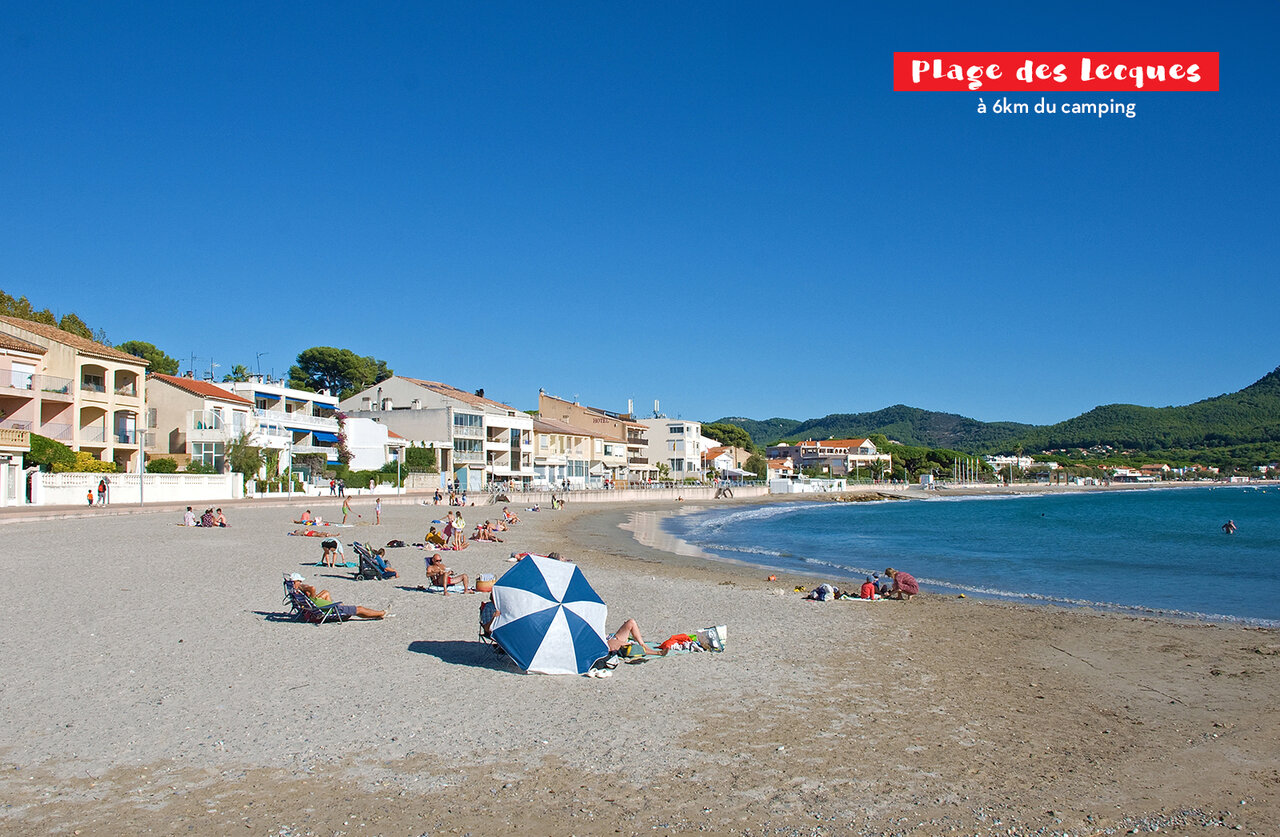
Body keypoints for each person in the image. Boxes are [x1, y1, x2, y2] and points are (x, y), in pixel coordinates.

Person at [290, 574, 385, 619]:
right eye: (300, 581)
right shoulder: (308, 595)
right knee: (359, 609)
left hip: (323, 608)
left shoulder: (299, 595)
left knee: (327, 593)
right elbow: (312, 588)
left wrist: (301, 588)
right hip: (328, 610)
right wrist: (308, 591)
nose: (302, 583)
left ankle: (377, 614)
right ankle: (381, 613)